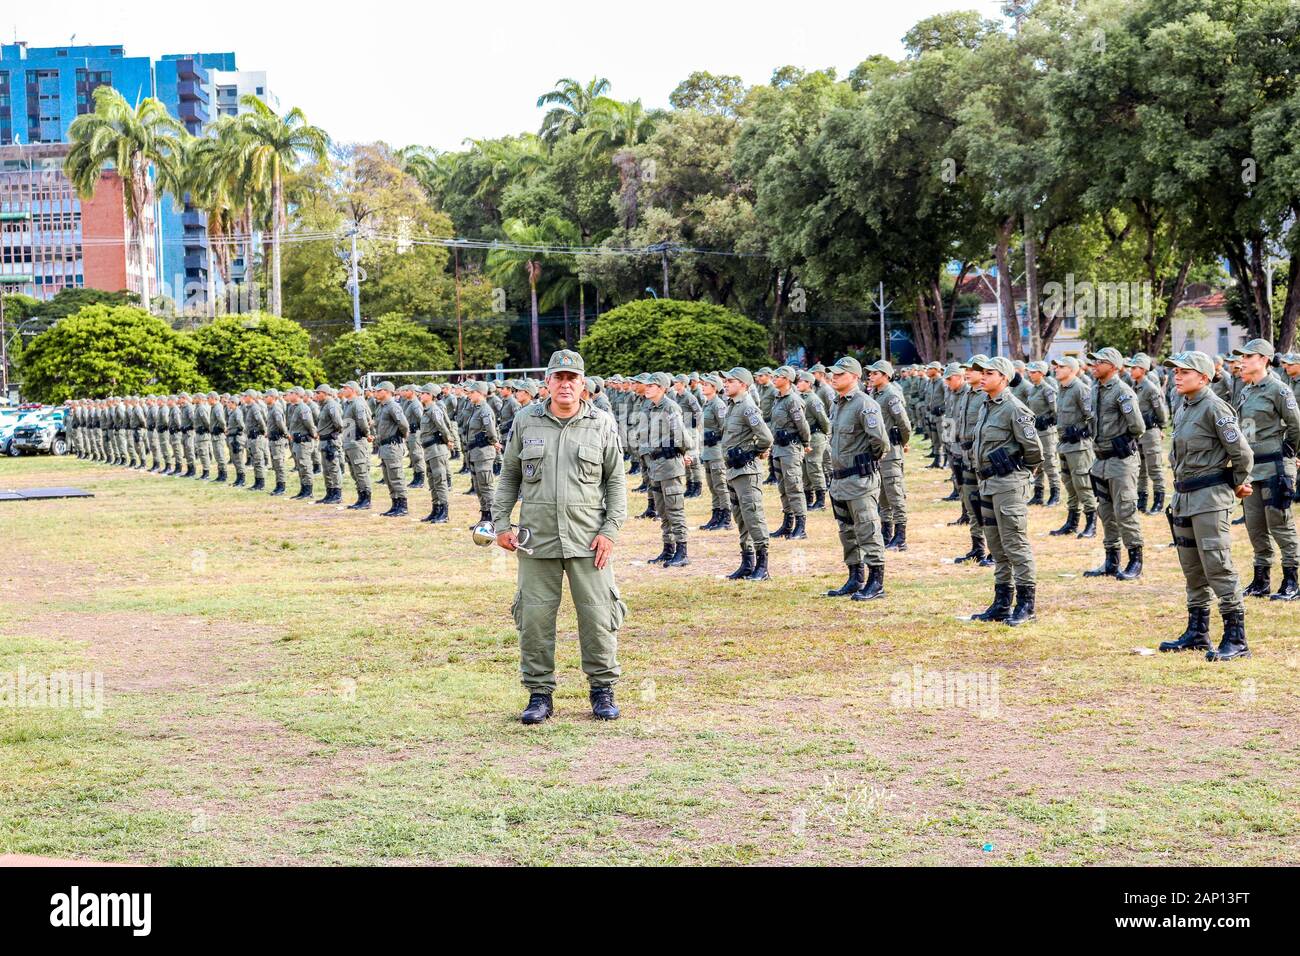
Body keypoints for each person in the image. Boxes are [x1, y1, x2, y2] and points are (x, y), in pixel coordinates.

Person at [494, 349, 628, 724]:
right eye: (559, 378)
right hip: (536, 539)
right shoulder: (526, 421)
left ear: (583, 384)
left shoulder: (601, 423)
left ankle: (602, 691)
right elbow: (509, 477)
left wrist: (610, 531)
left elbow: (616, 482)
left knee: (599, 615)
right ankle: (539, 695)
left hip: (589, 541)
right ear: (548, 383)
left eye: (573, 378)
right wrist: (502, 524)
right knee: (535, 618)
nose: (565, 384)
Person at [1158, 352, 1255, 660]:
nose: (1177, 376)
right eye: (1175, 371)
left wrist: (1237, 483)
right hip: (1184, 497)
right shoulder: (1183, 406)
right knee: (1192, 568)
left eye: (1185, 372)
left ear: (1203, 377)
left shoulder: (1215, 407)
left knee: (1217, 565)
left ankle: (1236, 638)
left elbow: (1242, 454)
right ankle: (1197, 632)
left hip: (1209, 499)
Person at [968, 357, 1043, 626]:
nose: (983, 377)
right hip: (987, 483)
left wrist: (1022, 473)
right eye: (982, 372)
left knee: (1015, 544)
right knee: (997, 547)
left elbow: (1034, 451)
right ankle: (1002, 602)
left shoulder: (1015, 409)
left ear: (1004, 378)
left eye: (989, 373)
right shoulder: (986, 406)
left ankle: (1026, 604)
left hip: (1009, 484)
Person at [1231, 339, 1300, 601]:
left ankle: (1291, 580)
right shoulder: (1247, 390)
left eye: (1247, 356)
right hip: (1253, 468)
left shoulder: (1278, 390)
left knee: (1280, 524)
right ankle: (1261, 580)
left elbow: (1295, 427)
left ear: (1263, 359)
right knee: (1255, 526)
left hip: (1275, 467)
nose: (1242, 361)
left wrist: (1289, 454)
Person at [824, 356, 891, 601]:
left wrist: (865, 463)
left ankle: (876, 581)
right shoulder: (837, 403)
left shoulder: (865, 404)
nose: (834, 378)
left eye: (840, 374)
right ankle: (855, 577)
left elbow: (880, 443)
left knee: (867, 529)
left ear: (854, 377)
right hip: (839, 480)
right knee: (847, 531)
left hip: (860, 479)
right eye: (833, 374)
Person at [1085, 348, 1147, 580]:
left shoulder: (1122, 391)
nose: (1093, 366)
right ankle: (1111, 560)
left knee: (1125, 510)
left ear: (1112, 366)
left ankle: (1135, 560)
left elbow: (1138, 427)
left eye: (1098, 362)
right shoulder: (1094, 390)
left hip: (1121, 461)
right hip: (1100, 460)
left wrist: (1122, 439)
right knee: (1106, 512)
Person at [720, 367, 774, 581]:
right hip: (733, 470)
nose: (725, 384)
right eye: (725, 381)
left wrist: (751, 452)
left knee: (753, 516)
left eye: (730, 381)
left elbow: (766, 438)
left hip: (746, 471)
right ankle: (747, 561)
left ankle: (762, 565)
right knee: (741, 518)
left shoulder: (747, 407)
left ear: (743, 384)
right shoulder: (732, 406)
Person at [641, 372, 691, 566]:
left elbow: (682, 438)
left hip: (670, 466)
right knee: (662, 510)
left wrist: (679, 452)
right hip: (656, 466)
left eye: (651, 386)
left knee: (675, 509)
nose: (646, 388)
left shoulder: (670, 407)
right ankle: (668, 549)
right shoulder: (650, 408)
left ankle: (682, 551)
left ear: (662, 388)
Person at [867, 360, 912, 550]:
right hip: (877, 452)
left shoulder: (891, 395)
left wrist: (901, 442)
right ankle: (887, 533)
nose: (870, 376)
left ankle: (900, 537)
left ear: (886, 375)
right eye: (870, 373)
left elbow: (904, 424)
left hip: (891, 452)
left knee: (895, 494)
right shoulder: (873, 394)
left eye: (875, 373)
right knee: (882, 495)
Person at [1051, 356, 1098, 538]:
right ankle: (1071, 522)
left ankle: (1091, 524)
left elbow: (1092, 416)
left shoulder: (1080, 389)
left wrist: (1085, 433)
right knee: (1069, 485)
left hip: (1078, 447)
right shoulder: (1061, 389)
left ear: (1071, 370)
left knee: (1083, 485)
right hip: (1064, 444)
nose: (1056, 369)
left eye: (1060, 367)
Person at [769, 366, 811, 541]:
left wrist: (806, 443)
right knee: (783, 488)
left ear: (787, 379)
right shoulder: (778, 398)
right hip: (779, 448)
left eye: (778, 376)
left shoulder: (793, 400)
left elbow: (802, 425)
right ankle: (787, 524)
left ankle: (800, 527)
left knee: (794, 486)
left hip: (791, 448)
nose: (774, 378)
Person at [1127, 353, 1169, 515]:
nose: (1131, 370)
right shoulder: (1134, 386)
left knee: (1155, 468)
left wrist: (1161, 428)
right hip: (1137, 434)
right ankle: (1141, 501)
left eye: (1135, 367)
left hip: (1150, 432)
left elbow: (1161, 412)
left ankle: (1158, 502)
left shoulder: (1151, 388)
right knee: (1141, 469)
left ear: (1143, 370)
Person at [417, 383, 458, 523]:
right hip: (429, 450)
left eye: (423, 393)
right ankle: (436, 509)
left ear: (430, 395)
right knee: (432, 481)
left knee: (440, 481)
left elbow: (443, 427)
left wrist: (449, 440)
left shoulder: (434, 409)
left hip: (436, 449)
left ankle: (444, 512)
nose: (420, 395)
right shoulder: (427, 410)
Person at [697, 374, 733, 531]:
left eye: (706, 384)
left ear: (714, 387)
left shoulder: (718, 405)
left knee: (720, 485)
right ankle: (716, 515)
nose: (703, 386)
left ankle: (726, 518)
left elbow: (725, 428)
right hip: (707, 451)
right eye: (703, 384)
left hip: (717, 450)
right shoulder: (707, 404)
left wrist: (714, 436)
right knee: (712, 485)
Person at [465, 381, 502, 526]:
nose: (469, 396)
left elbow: (491, 431)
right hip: (475, 453)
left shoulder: (485, 410)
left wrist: (494, 441)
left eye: (472, 393)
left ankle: (493, 519)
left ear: (480, 393)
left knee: (486, 486)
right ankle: (485, 516)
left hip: (483, 453)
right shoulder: (475, 409)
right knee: (479, 486)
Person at [1025, 362, 1061, 507]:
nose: (1030, 374)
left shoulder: (1048, 390)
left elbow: (1056, 411)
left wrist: (1047, 420)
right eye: (1030, 372)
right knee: (1037, 462)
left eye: (1033, 372)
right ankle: (1038, 494)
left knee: (1049, 462)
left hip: (1046, 432)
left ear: (1041, 373)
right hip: (1035, 431)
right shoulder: (1033, 389)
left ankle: (1055, 494)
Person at [373, 381, 410, 517]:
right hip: (384, 446)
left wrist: (401, 437)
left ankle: (403, 506)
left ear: (387, 392)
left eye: (378, 390)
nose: (375, 393)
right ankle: (395, 504)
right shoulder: (381, 407)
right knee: (389, 477)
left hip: (392, 445)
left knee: (396, 476)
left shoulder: (393, 406)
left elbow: (404, 425)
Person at [340, 381, 374, 510]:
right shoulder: (348, 404)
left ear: (353, 390)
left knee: (361, 471)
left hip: (357, 441)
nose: (343, 390)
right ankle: (360, 497)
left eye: (345, 388)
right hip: (349, 441)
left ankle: (366, 499)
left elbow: (363, 422)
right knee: (355, 472)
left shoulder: (358, 403)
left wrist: (367, 434)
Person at [315, 385, 345, 505]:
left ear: (325, 393)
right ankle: (330, 492)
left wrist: (334, 433)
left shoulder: (332, 405)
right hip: (324, 441)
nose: (316, 396)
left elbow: (338, 423)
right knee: (326, 469)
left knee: (333, 468)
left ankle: (337, 494)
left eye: (318, 393)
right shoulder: (324, 406)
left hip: (330, 441)